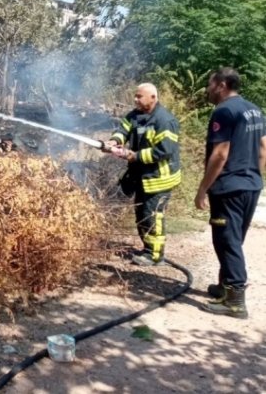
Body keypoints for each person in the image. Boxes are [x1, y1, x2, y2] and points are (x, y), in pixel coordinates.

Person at [194, 67, 265, 319]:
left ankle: (235, 300)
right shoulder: (254, 109)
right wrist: (255, 177)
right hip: (251, 184)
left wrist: (203, 188)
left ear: (221, 85)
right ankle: (225, 287)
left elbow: (221, 153)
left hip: (229, 187)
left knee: (226, 240)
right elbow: (263, 148)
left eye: (210, 84)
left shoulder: (224, 111)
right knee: (234, 237)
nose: (208, 89)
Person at [104, 83, 182, 266]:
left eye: (139, 96)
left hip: (159, 179)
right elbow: (123, 130)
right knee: (142, 214)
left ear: (153, 98)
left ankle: (154, 255)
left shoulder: (165, 121)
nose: (135, 99)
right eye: (135, 96)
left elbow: (164, 151)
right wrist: (115, 142)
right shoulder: (135, 116)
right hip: (143, 177)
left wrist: (134, 156)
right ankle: (148, 249)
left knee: (153, 215)